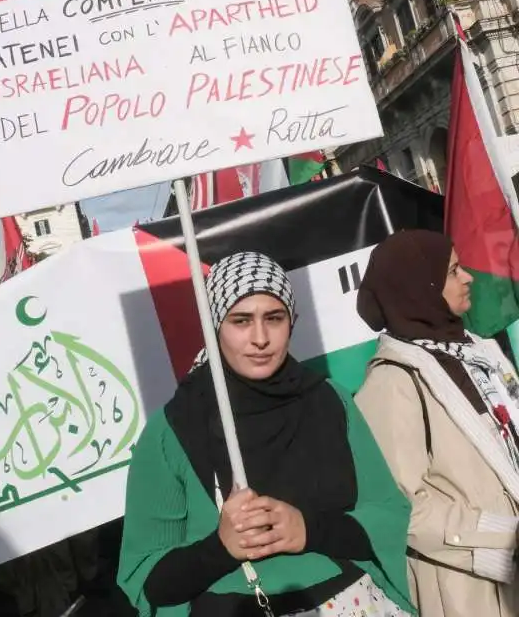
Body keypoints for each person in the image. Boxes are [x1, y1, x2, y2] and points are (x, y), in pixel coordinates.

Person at [118, 252, 414, 617]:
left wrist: (309, 529)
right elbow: (150, 580)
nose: (260, 338)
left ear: (292, 322)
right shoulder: (172, 430)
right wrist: (220, 548)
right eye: (241, 320)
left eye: (273, 318)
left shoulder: (328, 400)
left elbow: (388, 515)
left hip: (350, 604)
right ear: (213, 327)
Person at [356, 229, 519, 616]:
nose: (468, 278)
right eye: (453, 271)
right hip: (472, 591)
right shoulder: (393, 381)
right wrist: (506, 538)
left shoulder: (479, 352)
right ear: (420, 287)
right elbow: (401, 506)